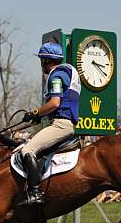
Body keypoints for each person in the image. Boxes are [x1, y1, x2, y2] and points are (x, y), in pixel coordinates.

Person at [19, 42, 81, 205]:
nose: (41, 64)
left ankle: (36, 193)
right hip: (64, 122)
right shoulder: (66, 72)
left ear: (46, 61)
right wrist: (39, 117)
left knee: (28, 150)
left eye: (41, 61)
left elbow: (54, 103)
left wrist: (35, 112)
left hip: (61, 125)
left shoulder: (56, 76)